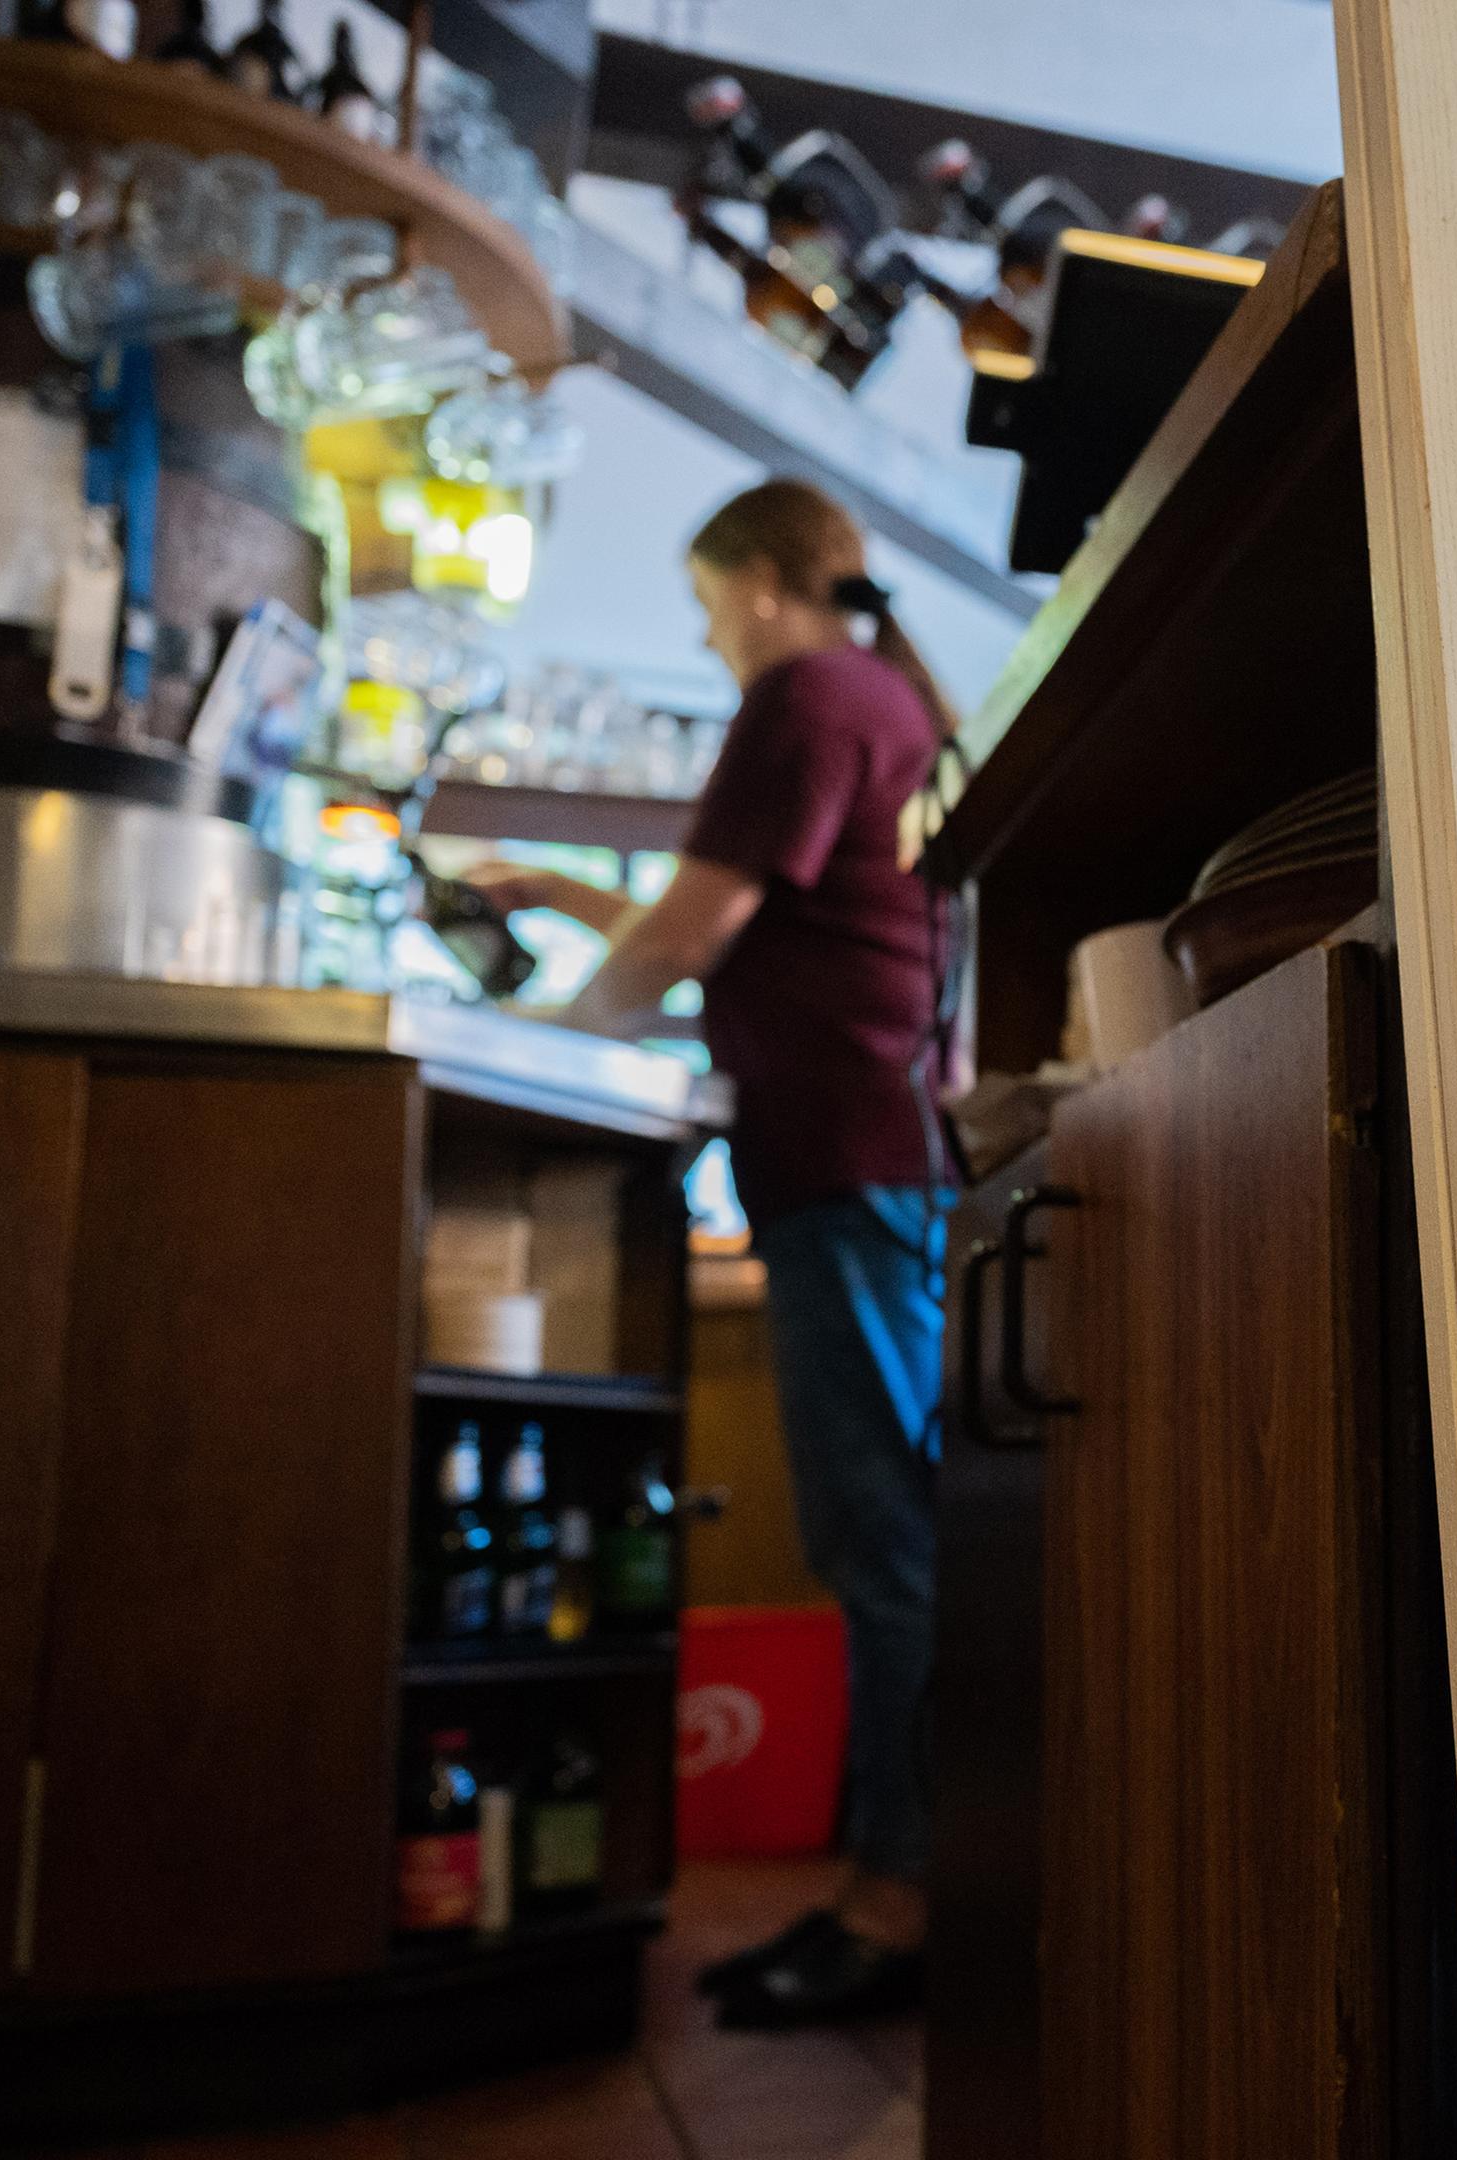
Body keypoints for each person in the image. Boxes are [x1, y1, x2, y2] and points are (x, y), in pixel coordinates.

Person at [471, 478, 956, 2027]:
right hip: (868, 1169)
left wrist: (532, 1042)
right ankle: (902, 1884)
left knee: (886, 1551)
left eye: (700, 605)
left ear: (755, 584)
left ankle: (899, 1905)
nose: (706, 632)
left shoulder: (807, 690)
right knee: (895, 1543)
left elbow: (687, 943)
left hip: (845, 1174)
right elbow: (745, 944)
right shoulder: (877, 697)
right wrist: (559, 896)